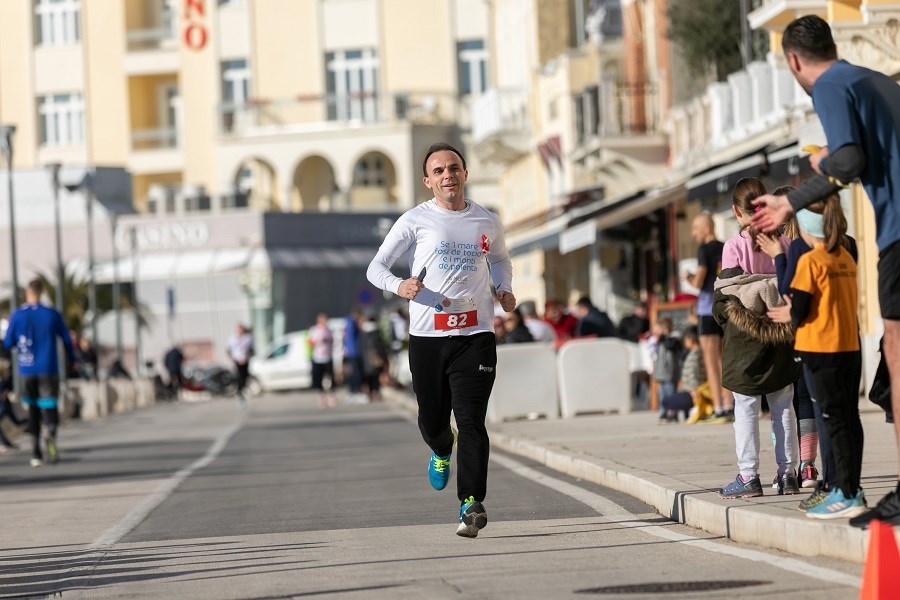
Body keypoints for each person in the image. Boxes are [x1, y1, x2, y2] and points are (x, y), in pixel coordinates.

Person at [750, 15, 900, 527]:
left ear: (793, 60)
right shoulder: (876, 80)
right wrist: (831, 161)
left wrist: (790, 203)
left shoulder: (830, 85)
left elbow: (851, 159)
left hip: (899, 233)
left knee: (896, 355)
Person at [367, 142, 515, 538]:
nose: (448, 175)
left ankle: (471, 502)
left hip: (476, 334)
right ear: (428, 181)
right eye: (439, 171)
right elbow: (376, 267)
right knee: (433, 420)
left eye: (454, 168)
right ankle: (439, 447)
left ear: (465, 173)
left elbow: (500, 259)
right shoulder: (416, 219)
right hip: (428, 337)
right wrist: (399, 286)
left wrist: (504, 288)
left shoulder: (487, 220)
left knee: (471, 420)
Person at [768, 197, 866, 518]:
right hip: (849, 347)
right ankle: (850, 487)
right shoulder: (845, 256)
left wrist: (788, 314)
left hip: (821, 350)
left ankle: (844, 492)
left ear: (807, 229)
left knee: (833, 421)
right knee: (849, 419)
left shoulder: (811, 261)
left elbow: (798, 307)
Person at [715, 182, 801, 499]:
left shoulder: (733, 247)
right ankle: (788, 473)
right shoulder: (785, 242)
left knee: (746, 407)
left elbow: (728, 293)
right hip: (780, 331)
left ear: (736, 212)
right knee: (783, 406)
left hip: (745, 337)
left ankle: (749, 476)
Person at [2, 278, 77, 467]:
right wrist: (72, 360)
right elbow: (67, 340)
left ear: (27, 293)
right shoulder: (52, 314)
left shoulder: (18, 315)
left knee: (33, 409)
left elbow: (8, 343)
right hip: (48, 368)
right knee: (50, 406)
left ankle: (36, 453)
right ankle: (50, 432)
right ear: (41, 293)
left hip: (27, 370)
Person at [683, 213, 732, 422]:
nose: (693, 233)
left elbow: (698, 282)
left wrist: (688, 276)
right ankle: (730, 404)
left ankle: (718, 407)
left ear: (706, 228)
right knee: (725, 358)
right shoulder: (725, 246)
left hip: (706, 309)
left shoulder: (704, 250)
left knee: (711, 362)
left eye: (695, 228)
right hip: (725, 306)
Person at [660, 326, 706, 423]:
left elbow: (693, 374)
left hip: (694, 392)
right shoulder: (700, 353)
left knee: (666, 401)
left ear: (690, 340)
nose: (684, 343)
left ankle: (693, 409)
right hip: (695, 390)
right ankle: (688, 413)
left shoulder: (694, 355)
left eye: (685, 340)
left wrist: (693, 391)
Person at [651, 318, 682, 421]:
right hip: (662, 372)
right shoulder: (659, 340)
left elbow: (671, 346)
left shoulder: (673, 338)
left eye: (657, 329)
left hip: (670, 372)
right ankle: (664, 411)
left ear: (664, 329)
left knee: (671, 392)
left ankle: (672, 412)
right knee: (662, 393)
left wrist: (663, 337)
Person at [308, 313, 337, 407]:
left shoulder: (329, 330)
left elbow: (332, 341)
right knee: (319, 379)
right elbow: (309, 342)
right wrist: (317, 341)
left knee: (330, 378)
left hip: (327, 357)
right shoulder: (314, 330)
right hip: (318, 358)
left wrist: (327, 340)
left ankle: (331, 397)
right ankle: (321, 398)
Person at [226, 323, 254, 407]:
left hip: (245, 360)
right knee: (238, 377)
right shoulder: (232, 338)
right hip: (237, 361)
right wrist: (232, 358)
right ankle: (239, 393)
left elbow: (251, 349)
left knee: (245, 377)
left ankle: (242, 391)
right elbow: (228, 350)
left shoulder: (248, 338)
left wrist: (247, 357)